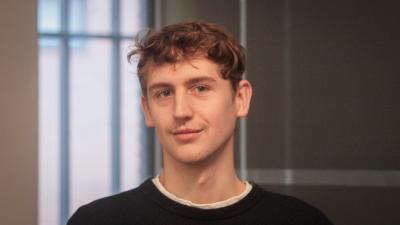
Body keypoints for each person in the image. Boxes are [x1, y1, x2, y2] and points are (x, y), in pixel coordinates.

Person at [67, 21, 333, 225]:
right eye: (164, 93)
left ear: (240, 98)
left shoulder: (301, 221)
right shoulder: (97, 221)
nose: (180, 111)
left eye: (201, 88)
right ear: (147, 110)